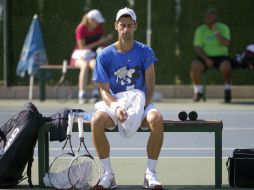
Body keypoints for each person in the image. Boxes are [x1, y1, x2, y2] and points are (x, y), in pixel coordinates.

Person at [91, 7, 164, 190]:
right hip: (115, 104)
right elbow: (104, 90)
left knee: (156, 119)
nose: (126, 30)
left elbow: (150, 86)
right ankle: (108, 174)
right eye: (122, 25)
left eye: (129, 26)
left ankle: (150, 174)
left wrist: (139, 110)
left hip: (141, 102)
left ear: (135, 26)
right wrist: (116, 108)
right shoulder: (104, 55)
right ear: (116, 26)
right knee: (96, 120)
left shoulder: (145, 51)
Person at [70, 9, 113, 104]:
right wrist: (100, 42)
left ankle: (95, 94)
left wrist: (106, 40)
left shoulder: (99, 28)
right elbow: (82, 47)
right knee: (84, 66)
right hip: (78, 56)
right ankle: (82, 94)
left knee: (96, 65)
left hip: (92, 56)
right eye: (97, 21)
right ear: (90, 20)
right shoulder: (80, 28)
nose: (98, 23)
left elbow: (103, 43)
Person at [190, 8, 232, 103]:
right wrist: (206, 59)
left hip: (221, 57)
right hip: (206, 57)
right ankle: (198, 92)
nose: (208, 18)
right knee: (195, 65)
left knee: (227, 66)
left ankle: (227, 90)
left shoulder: (224, 28)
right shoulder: (200, 30)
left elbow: (226, 43)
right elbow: (197, 47)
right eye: (207, 16)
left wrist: (216, 32)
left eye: (211, 17)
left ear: (215, 18)